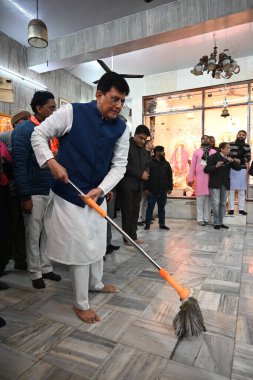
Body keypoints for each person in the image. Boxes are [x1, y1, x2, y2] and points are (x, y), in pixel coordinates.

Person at [31, 72, 130, 324]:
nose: (118, 106)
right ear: (99, 95)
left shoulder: (122, 127)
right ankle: (80, 303)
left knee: (97, 242)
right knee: (81, 247)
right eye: (114, 99)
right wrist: (51, 162)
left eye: (122, 101)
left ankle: (96, 283)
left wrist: (103, 189)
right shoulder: (71, 112)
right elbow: (38, 134)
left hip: (97, 194)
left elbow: (119, 166)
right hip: (69, 195)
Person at [12, 91, 61, 289]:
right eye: (51, 107)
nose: (54, 111)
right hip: (33, 190)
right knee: (33, 232)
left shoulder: (50, 131)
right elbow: (20, 165)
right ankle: (34, 272)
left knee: (47, 232)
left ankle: (46, 266)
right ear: (38, 109)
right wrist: (25, 196)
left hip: (50, 187)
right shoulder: (24, 130)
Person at [0, 109, 31, 273]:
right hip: (11, 188)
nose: (27, 121)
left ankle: (20, 258)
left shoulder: (30, 136)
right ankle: (6, 259)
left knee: (23, 227)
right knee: (10, 225)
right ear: (16, 123)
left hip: (25, 188)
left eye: (28, 118)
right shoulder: (5, 136)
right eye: (23, 119)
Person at [117, 124, 150, 244]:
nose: (142, 141)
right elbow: (123, 165)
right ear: (135, 134)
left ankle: (133, 237)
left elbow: (147, 162)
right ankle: (127, 239)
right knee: (127, 212)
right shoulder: (126, 145)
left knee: (135, 212)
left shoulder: (143, 149)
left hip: (139, 186)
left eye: (144, 139)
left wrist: (146, 171)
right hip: (126, 185)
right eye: (140, 138)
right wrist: (140, 174)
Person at [204, 142, 241, 230]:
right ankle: (216, 222)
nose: (229, 149)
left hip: (225, 184)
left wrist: (234, 161)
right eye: (228, 148)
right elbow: (206, 169)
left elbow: (238, 168)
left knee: (223, 204)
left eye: (230, 148)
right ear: (222, 149)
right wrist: (216, 166)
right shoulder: (213, 157)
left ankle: (221, 222)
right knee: (215, 204)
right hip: (215, 184)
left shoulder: (229, 158)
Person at [188, 135, 216, 226]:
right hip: (200, 178)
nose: (205, 140)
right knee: (200, 200)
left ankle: (207, 219)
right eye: (203, 138)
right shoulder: (197, 152)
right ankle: (200, 219)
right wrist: (190, 178)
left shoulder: (214, 152)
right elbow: (192, 166)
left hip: (211, 178)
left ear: (210, 140)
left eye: (207, 138)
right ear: (201, 141)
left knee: (208, 200)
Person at [144, 146, 173, 230]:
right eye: (162, 151)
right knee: (150, 208)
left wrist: (170, 187)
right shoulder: (149, 163)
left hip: (163, 190)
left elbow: (169, 176)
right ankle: (147, 224)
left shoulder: (166, 164)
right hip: (152, 191)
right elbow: (146, 176)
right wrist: (145, 188)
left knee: (161, 209)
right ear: (156, 152)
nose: (163, 153)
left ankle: (162, 224)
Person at [228, 130, 251, 215]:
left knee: (242, 190)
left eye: (243, 135)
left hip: (242, 168)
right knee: (231, 189)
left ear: (245, 137)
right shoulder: (230, 144)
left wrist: (240, 160)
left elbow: (249, 157)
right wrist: (233, 160)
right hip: (232, 168)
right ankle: (231, 209)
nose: (241, 136)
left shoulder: (247, 146)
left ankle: (241, 209)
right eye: (240, 134)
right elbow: (227, 154)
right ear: (237, 135)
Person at [0, 141, 12, 285]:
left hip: (4, 190)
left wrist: (6, 164)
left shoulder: (2, 145)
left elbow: (11, 170)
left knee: (4, 232)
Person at [138, 139, 154, 226]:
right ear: (147, 144)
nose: (152, 144)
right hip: (143, 180)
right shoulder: (143, 154)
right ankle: (138, 218)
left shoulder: (149, 155)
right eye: (151, 143)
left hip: (148, 181)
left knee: (145, 201)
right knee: (141, 200)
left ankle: (144, 217)